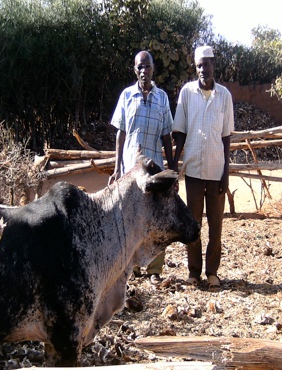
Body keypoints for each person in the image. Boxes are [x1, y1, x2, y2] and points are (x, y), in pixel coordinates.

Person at [109, 50, 175, 285]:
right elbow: (121, 134)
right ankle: (133, 268)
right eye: (139, 67)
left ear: (153, 68)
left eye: (147, 66)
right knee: (131, 218)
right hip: (131, 170)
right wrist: (117, 167)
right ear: (134, 70)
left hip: (155, 168)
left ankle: (155, 269)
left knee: (155, 218)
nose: (144, 71)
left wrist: (172, 167)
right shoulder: (127, 96)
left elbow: (167, 135)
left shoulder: (162, 98)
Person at [172, 45, 234, 291]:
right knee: (193, 224)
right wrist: (176, 164)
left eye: (206, 64)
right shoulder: (187, 93)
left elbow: (227, 136)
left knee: (216, 226)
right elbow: (181, 132)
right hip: (194, 171)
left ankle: (212, 273)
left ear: (213, 65)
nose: (202, 69)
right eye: (198, 66)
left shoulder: (224, 96)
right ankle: (193, 272)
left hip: (216, 171)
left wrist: (226, 171)